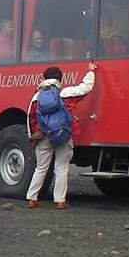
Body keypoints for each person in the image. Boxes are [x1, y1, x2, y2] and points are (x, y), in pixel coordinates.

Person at [25, 63, 97, 210]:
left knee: (41, 168)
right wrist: (90, 71)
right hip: (62, 134)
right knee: (61, 168)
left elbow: (30, 118)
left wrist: (33, 137)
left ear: (43, 78)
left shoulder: (36, 97)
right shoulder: (65, 93)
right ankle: (60, 201)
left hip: (44, 136)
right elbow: (86, 87)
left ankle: (32, 198)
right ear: (60, 79)